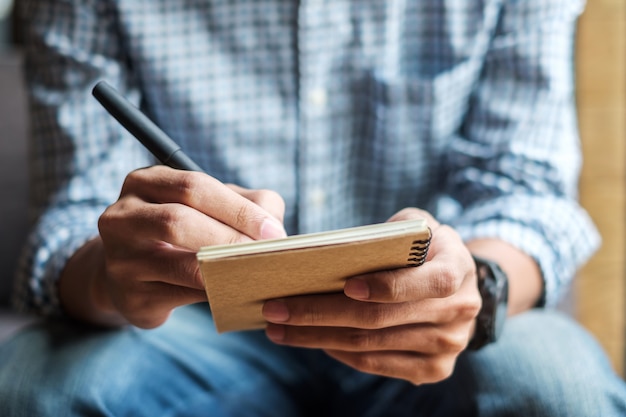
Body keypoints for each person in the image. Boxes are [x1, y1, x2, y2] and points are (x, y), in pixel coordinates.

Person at [1, 0, 625, 415]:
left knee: (558, 386)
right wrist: (114, 278)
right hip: (189, 328)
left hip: (431, 326)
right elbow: (71, 219)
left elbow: (525, 189)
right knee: (29, 387)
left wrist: (474, 290)